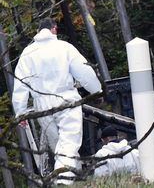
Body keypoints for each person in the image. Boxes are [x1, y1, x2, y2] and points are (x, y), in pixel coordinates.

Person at [12, 17, 102, 185]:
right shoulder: (64, 48)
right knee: (69, 143)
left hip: (42, 106)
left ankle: (67, 180)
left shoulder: (27, 53)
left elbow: (20, 84)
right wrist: (97, 90)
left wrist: (21, 112)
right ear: (54, 29)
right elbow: (84, 71)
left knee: (58, 147)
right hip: (66, 100)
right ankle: (63, 182)